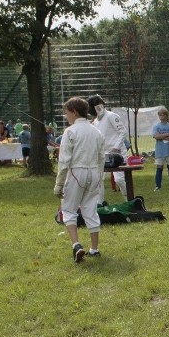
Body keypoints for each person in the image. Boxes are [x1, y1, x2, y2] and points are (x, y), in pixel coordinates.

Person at [54, 97, 105, 262]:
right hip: (94, 173)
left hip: (77, 173)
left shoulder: (70, 132)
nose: (66, 116)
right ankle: (94, 249)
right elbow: (101, 158)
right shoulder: (96, 131)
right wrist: (99, 176)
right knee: (90, 209)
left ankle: (76, 245)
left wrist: (59, 184)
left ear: (74, 112)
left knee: (68, 210)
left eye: (66, 113)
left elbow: (63, 162)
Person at [86, 95, 129, 203]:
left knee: (119, 179)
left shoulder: (111, 116)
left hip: (118, 153)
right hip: (104, 154)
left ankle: (129, 200)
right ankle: (99, 204)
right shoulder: (95, 122)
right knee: (99, 179)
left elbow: (123, 132)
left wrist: (116, 147)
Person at [151, 108, 169, 191]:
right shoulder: (156, 126)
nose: (162, 117)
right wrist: (167, 134)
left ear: (166, 116)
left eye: (163, 115)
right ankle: (158, 186)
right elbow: (156, 137)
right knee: (159, 168)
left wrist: (161, 136)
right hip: (160, 151)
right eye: (160, 115)